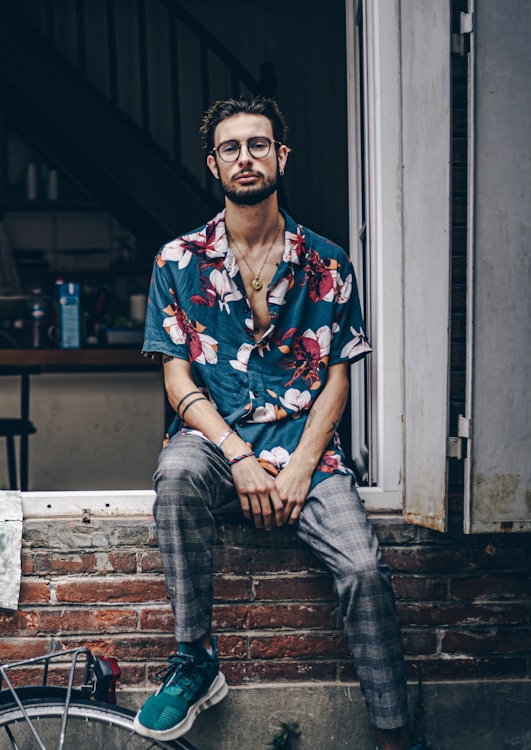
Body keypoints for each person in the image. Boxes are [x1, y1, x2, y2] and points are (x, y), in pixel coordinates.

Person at [134, 97, 420, 750]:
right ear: (213, 165)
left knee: (365, 569)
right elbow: (178, 379)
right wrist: (236, 454)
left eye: (258, 145)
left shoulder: (328, 264)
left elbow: (337, 379)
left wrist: (298, 467)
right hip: (216, 443)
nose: (245, 158)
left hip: (307, 452)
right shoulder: (177, 262)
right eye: (230, 148)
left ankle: (394, 736)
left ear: (281, 157)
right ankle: (194, 658)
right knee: (175, 472)